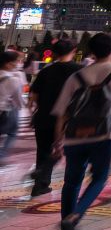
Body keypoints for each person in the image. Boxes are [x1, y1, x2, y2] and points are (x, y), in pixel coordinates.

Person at [52, 32, 111, 230]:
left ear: (90, 51)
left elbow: (62, 112)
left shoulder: (76, 76)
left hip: (74, 136)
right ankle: (75, 216)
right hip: (104, 134)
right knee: (99, 178)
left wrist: (57, 140)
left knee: (71, 181)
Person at [28, 39, 81, 196]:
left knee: (43, 150)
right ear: (74, 50)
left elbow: (34, 94)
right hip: (67, 117)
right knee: (62, 150)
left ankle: (40, 184)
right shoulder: (79, 70)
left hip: (44, 116)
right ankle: (44, 172)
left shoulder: (46, 71)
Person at [0, 51, 25, 166]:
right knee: (12, 133)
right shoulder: (13, 79)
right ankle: (2, 156)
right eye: (15, 62)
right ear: (7, 64)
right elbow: (18, 99)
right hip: (6, 111)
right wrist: (21, 107)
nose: (17, 64)